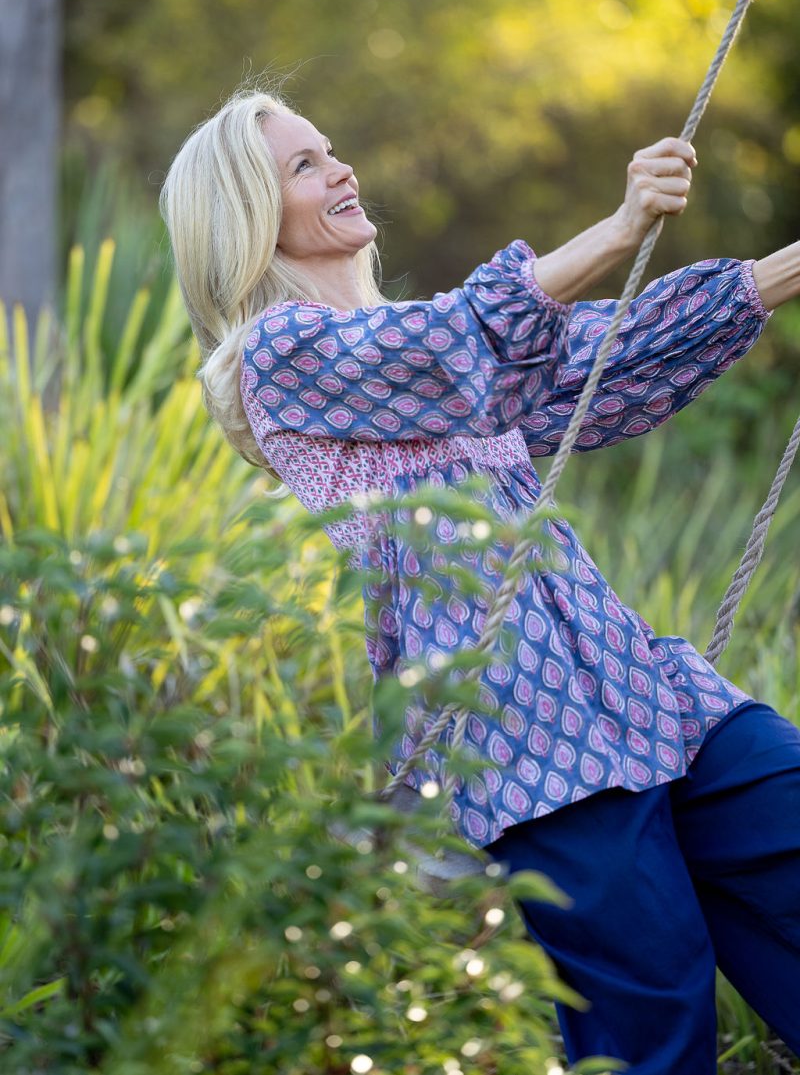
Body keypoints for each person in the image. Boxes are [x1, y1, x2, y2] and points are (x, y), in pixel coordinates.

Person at [159, 85, 800, 1075]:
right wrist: (620, 225)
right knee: (652, 1026)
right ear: (249, 213)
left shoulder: (441, 347)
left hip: (639, 693)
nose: (340, 170)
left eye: (332, 150)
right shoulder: (277, 361)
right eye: (304, 164)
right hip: (523, 739)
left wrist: (776, 273)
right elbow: (448, 350)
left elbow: (603, 360)